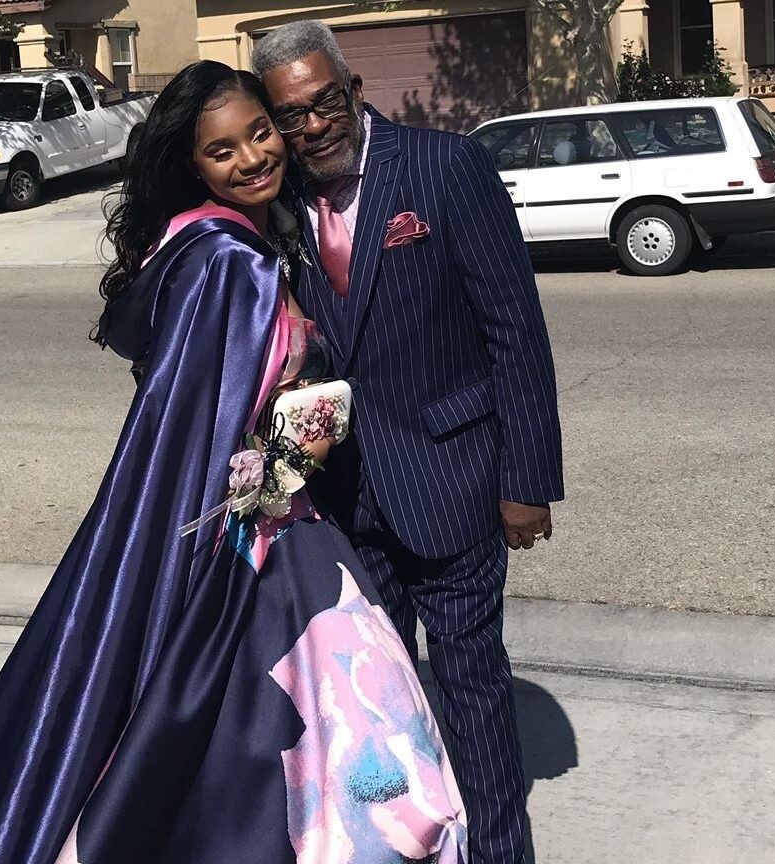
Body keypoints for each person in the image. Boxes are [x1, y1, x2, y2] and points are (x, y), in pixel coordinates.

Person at [0, 61, 467, 864]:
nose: (252, 158)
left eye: (260, 133)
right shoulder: (230, 263)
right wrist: (299, 440)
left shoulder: (208, 246)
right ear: (192, 165)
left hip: (268, 517)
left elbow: (207, 409)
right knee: (335, 746)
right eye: (222, 150)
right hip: (256, 536)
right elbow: (203, 424)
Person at [253, 22, 564, 864]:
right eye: (291, 116)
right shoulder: (277, 205)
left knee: (471, 693)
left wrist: (526, 479)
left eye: (325, 102)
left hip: (454, 480)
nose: (312, 126)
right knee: (380, 705)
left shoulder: (444, 167)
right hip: (349, 501)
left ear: (353, 91)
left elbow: (514, 331)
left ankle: (501, 853)